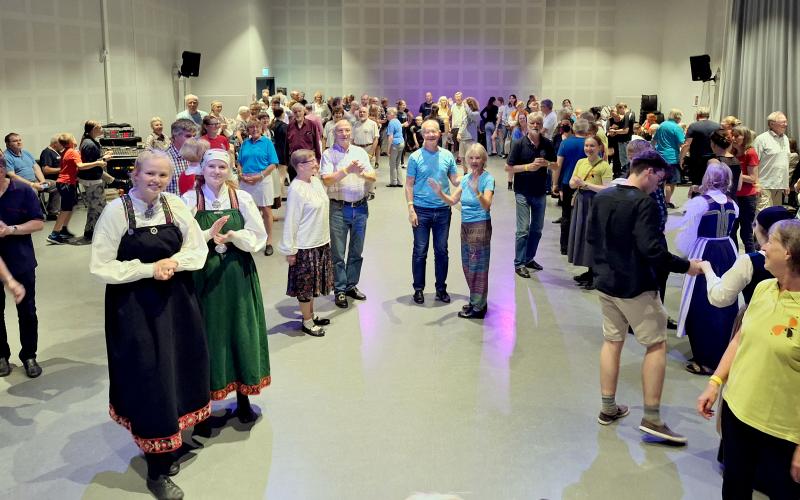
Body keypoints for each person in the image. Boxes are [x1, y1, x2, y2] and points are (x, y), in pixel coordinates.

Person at [90, 150, 210, 499]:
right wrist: (148, 269)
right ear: (135, 175)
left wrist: (171, 262)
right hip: (135, 309)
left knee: (182, 365)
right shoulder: (116, 212)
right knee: (150, 375)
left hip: (177, 303)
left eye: (162, 175)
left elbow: (196, 249)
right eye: (149, 174)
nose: (155, 181)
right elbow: (101, 266)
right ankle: (157, 466)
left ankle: (174, 437)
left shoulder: (174, 206)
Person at [587, 150, 702, 444]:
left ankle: (608, 408)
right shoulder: (643, 203)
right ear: (648, 172)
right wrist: (687, 266)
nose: (659, 187)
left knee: (612, 341)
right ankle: (652, 418)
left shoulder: (602, 197)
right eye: (659, 180)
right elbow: (653, 251)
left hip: (605, 282)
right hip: (635, 286)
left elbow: (591, 239)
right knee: (656, 345)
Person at [696, 219, 800, 499]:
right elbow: (740, 339)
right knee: (734, 488)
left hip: (783, 432)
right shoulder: (764, 288)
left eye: (772, 242)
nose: (763, 247)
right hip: (738, 415)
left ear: (788, 252)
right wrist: (715, 382)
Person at [182, 149, 270, 425]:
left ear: (229, 170)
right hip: (204, 276)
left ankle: (243, 397)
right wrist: (206, 237)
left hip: (236, 274)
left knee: (239, 329)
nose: (217, 171)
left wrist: (234, 236)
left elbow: (258, 235)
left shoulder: (241, 198)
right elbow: (182, 238)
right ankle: (203, 405)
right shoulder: (189, 200)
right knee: (208, 334)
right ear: (203, 169)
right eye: (212, 167)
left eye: (222, 167)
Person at [672, 163, 739, 375]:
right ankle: (721, 352)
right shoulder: (732, 204)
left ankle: (705, 358)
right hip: (727, 250)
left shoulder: (700, 203)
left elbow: (685, 237)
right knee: (725, 300)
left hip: (704, 250)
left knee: (700, 302)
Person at [429, 143, 494, 319]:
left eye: (477, 158)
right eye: (471, 158)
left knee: (478, 267)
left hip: (480, 226)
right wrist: (439, 192)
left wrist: (477, 192)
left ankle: (479, 307)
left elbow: (487, 206)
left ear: (483, 160)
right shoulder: (465, 179)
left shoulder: (487, 179)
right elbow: (452, 201)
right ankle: (476, 301)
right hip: (466, 226)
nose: (474, 161)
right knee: (468, 265)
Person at [320, 119, 376, 309]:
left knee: (356, 251)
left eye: (347, 130)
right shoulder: (328, 154)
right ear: (334, 134)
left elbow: (372, 176)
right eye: (340, 131)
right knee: (337, 252)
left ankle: (351, 285)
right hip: (338, 208)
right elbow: (326, 180)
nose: (344, 134)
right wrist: (346, 170)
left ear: (351, 133)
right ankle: (340, 289)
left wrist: (360, 174)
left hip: (360, 207)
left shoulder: (360, 152)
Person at [279, 149, 333, 337]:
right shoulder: (296, 189)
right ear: (300, 166)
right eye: (311, 161)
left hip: (320, 241)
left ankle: (309, 315)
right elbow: (291, 221)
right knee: (305, 287)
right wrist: (290, 250)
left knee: (313, 285)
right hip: (305, 246)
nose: (316, 163)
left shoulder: (315, 182)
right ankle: (308, 322)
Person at [0, 154, 45, 378]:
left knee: (27, 311)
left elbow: (38, 223)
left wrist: (11, 230)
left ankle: (29, 355)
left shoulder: (22, 191)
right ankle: (1, 355)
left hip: (20, 260)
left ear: (2, 170)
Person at [405, 120, 459, 304]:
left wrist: (474, 175)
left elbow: (455, 180)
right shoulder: (415, 157)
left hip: (443, 210)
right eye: (427, 132)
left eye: (434, 131)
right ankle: (418, 289)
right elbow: (409, 184)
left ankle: (441, 289)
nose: (430, 135)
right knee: (420, 251)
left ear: (439, 133)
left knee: (441, 251)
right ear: (422, 134)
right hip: (421, 210)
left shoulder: (447, 155)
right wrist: (411, 208)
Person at [701, 206, 794, 307]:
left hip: (760, 317)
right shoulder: (794, 254)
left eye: (755, 225)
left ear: (764, 230)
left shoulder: (750, 261)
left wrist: (708, 270)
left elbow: (720, 297)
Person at [505, 112, 556, 278]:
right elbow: (508, 168)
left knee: (537, 229)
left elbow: (555, 166)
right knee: (523, 229)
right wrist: (528, 167)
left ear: (542, 126)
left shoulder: (547, 144)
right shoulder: (519, 144)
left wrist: (546, 164)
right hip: (522, 192)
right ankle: (518, 263)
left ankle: (528, 258)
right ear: (527, 123)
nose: (535, 125)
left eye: (538, 123)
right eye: (532, 122)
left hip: (540, 192)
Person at [567, 135, 612, 289]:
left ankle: (596, 274)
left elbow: (607, 188)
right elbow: (572, 182)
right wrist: (576, 183)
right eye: (586, 145)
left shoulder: (604, 166)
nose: (588, 149)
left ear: (599, 147)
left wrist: (585, 184)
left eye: (592, 146)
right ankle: (589, 270)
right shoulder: (581, 162)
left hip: (595, 204)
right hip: (581, 202)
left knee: (593, 236)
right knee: (583, 235)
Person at [47, 133, 108, 244]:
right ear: (71, 142)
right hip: (66, 183)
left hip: (64, 183)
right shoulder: (73, 152)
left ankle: (63, 230)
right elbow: (80, 166)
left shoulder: (67, 151)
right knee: (65, 209)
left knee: (70, 207)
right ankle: (54, 234)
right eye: (74, 138)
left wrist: (102, 157)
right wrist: (98, 163)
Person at [237, 120, 279, 256]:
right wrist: (240, 174)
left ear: (261, 128)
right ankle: (249, 240)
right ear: (247, 130)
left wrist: (260, 176)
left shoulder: (267, 143)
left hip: (262, 180)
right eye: (251, 127)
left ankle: (269, 241)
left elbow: (273, 164)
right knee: (246, 211)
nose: (254, 129)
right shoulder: (245, 143)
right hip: (246, 181)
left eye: (256, 127)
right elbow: (240, 163)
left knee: (266, 211)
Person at [553, 118, 589, 254]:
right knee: (584, 215)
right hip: (586, 184)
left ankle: (564, 246)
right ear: (587, 129)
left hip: (568, 182)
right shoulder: (590, 144)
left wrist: (555, 184)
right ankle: (580, 246)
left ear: (574, 129)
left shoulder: (565, 143)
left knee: (566, 214)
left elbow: (558, 165)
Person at [78, 120, 113, 243]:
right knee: (100, 207)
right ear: (93, 129)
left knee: (93, 208)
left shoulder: (89, 142)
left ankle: (90, 232)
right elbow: (88, 164)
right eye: (99, 127)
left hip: (91, 179)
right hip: (92, 179)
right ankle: (101, 234)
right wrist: (104, 158)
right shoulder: (89, 144)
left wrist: (103, 155)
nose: (102, 129)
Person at [730, 126, 759, 253]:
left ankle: (751, 262)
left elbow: (753, 178)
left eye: (737, 136)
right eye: (733, 136)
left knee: (746, 232)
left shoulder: (750, 152)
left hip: (747, 197)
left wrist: (736, 174)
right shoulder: (732, 152)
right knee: (731, 231)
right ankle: (733, 261)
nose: (734, 138)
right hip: (733, 195)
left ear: (745, 137)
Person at [753, 111, 790, 210]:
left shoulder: (785, 139)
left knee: (776, 216)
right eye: (783, 122)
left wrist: (786, 184)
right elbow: (753, 163)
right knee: (763, 215)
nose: (785, 124)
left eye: (786, 122)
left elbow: (786, 163)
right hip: (764, 185)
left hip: (779, 186)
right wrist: (756, 184)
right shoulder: (761, 139)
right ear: (772, 124)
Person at [681, 107, 721, 189]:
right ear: (708, 115)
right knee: (712, 182)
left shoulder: (693, 126)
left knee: (697, 184)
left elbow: (687, 144)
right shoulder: (717, 126)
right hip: (714, 158)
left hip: (697, 160)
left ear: (698, 115)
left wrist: (681, 158)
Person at [654, 109, 686, 209]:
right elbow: (682, 143)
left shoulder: (661, 125)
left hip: (660, 156)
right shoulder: (677, 128)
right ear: (678, 117)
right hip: (672, 158)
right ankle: (667, 201)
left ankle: (659, 199)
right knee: (670, 182)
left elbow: (654, 140)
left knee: (660, 181)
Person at [286, 103, 322, 180]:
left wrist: (318, 160)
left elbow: (316, 143)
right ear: (293, 113)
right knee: (294, 185)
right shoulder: (289, 126)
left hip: (308, 161)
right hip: (294, 161)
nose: (298, 114)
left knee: (308, 185)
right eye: (295, 112)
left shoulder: (312, 124)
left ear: (304, 111)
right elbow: (286, 145)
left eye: (299, 111)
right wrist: (286, 163)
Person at [165, 119, 198, 195]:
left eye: (194, 136)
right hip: (173, 205)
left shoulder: (196, 156)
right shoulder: (164, 159)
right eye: (188, 136)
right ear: (175, 136)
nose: (193, 139)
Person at [39, 135, 63, 219]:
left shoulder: (58, 152)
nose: (63, 145)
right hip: (45, 182)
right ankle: (53, 212)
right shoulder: (47, 152)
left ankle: (58, 209)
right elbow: (46, 170)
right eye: (62, 143)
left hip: (58, 179)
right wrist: (62, 170)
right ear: (55, 143)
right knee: (59, 184)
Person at [456, 97, 480, 173]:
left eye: (466, 105)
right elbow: (462, 124)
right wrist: (459, 133)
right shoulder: (465, 114)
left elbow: (471, 115)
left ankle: (474, 173)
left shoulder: (476, 113)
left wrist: (465, 105)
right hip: (463, 138)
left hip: (471, 139)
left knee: (472, 158)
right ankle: (465, 174)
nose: (464, 106)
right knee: (463, 158)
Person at [386, 107, 405, 187]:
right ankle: (400, 182)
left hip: (395, 144)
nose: (386, 115)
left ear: (392, 114)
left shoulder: (391, 123)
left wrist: (388, 149)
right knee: (398, 163)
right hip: (401, 143)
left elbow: (390, 136)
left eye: (387, 113)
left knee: (392, 164)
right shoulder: (397, 121)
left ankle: (393, 182)